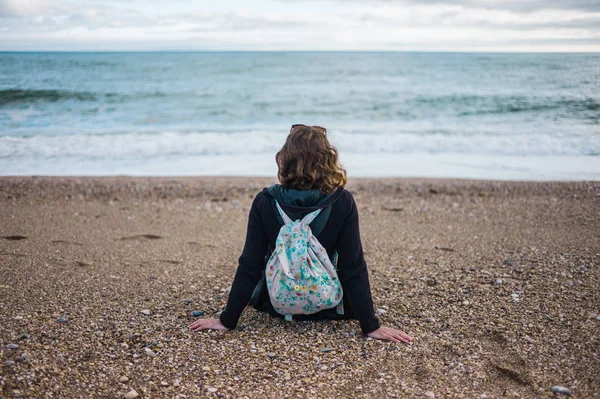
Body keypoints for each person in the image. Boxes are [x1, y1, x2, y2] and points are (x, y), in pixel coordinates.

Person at [189, 124, 413, 343]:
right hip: (332, 306)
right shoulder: (342, 202)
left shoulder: (265, 202)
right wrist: (370, 326)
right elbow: (352, 266)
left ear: (285, 159)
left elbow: (250, 264)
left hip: (278, 306)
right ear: (327, 160)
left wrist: (227, 320)